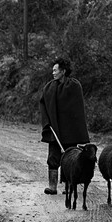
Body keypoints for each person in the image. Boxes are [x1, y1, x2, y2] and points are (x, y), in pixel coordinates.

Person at [38, 57, 89, 195]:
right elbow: (43, 105)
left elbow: (77, 109)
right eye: (53, 70)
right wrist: (47, 123)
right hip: (54, 129)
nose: (53, 73)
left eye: (55, 70)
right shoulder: (49, 87)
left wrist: (75, 129)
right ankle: (52, 186)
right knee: (53, 157)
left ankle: (69, 186)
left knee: (70, 158)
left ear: (63, 71)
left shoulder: (74, 86)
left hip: (70, 131)